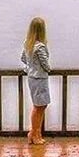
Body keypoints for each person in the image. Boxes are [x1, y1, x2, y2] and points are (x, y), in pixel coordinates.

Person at [20, 16, 50, 144]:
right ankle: (34, 134)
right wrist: (48, 69)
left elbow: (23, 58)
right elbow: (45, 64)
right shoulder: (40, 46)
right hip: (40, 78)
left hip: (31, 78)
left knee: (38, 106)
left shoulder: (28, 43)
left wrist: (29, 67)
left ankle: (35, 133)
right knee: (40, 106)